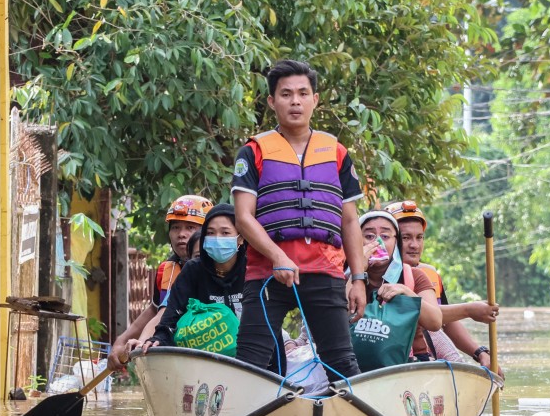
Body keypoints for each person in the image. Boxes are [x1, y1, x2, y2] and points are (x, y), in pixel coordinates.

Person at [232, 59, 367, 377]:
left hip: (325, 270)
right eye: (286, 94)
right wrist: (278, 256)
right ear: (272, 101)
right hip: (267, 273)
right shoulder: (253, 152)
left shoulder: (337, 152)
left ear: (315, 100)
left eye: (303, 93)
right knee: (250, 363)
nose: (295, 101)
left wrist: (358, 279)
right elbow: (243, 218)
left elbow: (349, 221)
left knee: (342, 362)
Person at [386, 200, 501, 373]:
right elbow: (432, 318)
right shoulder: (378, 273)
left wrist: (480, 353)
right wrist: (469, 310)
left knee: (463, 369)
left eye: (419, 237)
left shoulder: (429, 274)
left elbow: (445, 322)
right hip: (393, 354)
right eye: (406, 238)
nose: (414, 245)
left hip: (427, 351)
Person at [107, 194, 209, 368]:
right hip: (170, 351)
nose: (182, 235)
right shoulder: (167, 269)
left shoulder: (219, 267)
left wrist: (140, 342)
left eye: (190, 227)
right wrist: (121, 342)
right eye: (175, 227)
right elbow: (157, 309)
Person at [140, 203, 246, 351]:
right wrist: (159, 338)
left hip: (250, 356)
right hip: (202, 359)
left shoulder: (253, 269)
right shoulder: (192, 270)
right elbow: (170, 316)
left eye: (225, 233)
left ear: (241, 238)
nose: (217, 238)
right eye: (210, 232)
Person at [355, 210, 442, 362]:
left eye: (385, 236)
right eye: (369, 236)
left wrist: (406, 291)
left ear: (396, 243)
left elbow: (435, 322)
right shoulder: (344, 277)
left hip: (407, 365)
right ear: (355, 241)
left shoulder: (415, 276)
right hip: (354, 366)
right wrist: (358, 272)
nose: (378, 243)